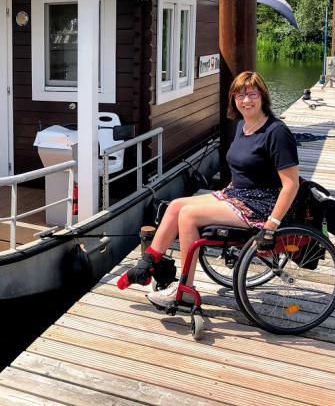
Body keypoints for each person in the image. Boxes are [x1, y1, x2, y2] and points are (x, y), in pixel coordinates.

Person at [117, 70, 300, 308]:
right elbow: (243, 171)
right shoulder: (243, 126)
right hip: (237, 195)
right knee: (175, 205)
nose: (246, 100)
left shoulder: (276, 132)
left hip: (260, 206)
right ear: (233, 99)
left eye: (252, 94)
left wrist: (272, 225)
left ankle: (185, 289)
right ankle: (148, 265)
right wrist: (226, 193)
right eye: (239, 95)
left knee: (189, 215)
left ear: (263, 96)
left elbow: (291, 184)